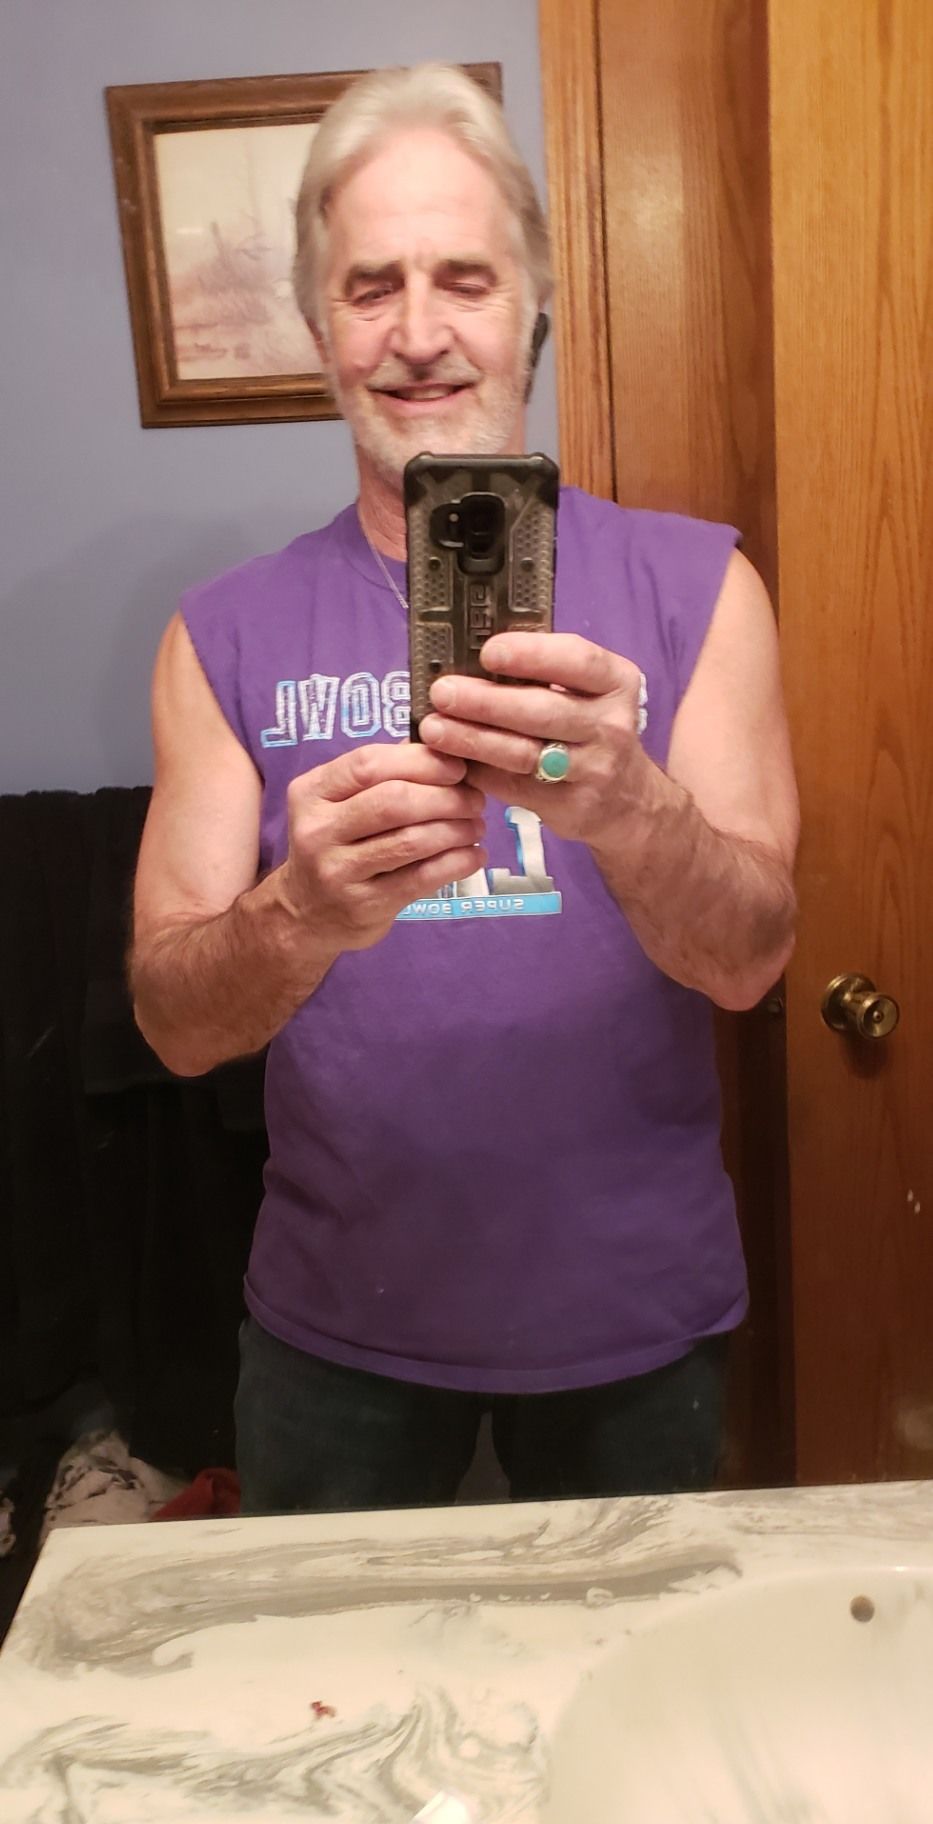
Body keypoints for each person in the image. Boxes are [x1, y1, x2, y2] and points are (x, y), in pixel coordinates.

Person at [130, 63, 799, 1514]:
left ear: (532, 307)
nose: (419, 333)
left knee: (635, 1659)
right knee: (331, 1663)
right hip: (334, 1336)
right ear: (319, 326)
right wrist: (301, 911)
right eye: (371, 287)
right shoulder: (219, 634)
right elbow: (175, 1029)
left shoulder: (700, 587)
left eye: (465, 280)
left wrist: (629, 809)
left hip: (634, 1320)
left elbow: (751, 963)